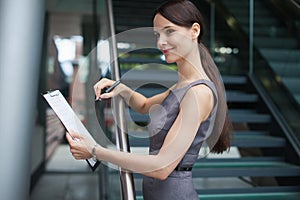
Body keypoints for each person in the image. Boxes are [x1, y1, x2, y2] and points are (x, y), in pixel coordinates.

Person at [66, 0, 231, 199]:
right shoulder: (182, 86)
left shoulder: (198, 93)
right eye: (157, 34)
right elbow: (144, 105)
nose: (160, 42)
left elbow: (161, 167)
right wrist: (121, 88)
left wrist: (94, 150)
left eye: (169, 31)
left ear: (194, 31)